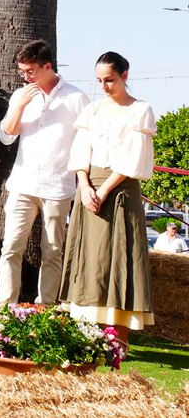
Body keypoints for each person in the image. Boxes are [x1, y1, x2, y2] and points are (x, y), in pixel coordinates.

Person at [61, 51, 156, 346]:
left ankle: (118, 340)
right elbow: (80, 152)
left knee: (119, 258)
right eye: (100, 80)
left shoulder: (140, 110)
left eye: (110, 80)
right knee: (89, 258)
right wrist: (85, 185)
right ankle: (88, 336)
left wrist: (103, 191)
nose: (104, 85)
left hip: (120, 191)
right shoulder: (93, 110)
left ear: (125, 75)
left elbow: (134, 159)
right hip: (89, 190)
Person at [0, 40, 88, 307]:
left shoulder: (76, 98)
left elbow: (87, 142)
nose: (26, 76)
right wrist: (21, 105)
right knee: (11, 248)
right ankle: (4, 309)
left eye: (30, 71)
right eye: (22, 71)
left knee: (53, 252)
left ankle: (46, 308)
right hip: (22, 183)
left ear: (48, 66)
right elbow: (6, 137)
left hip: (58, 187)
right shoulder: (20, 95)